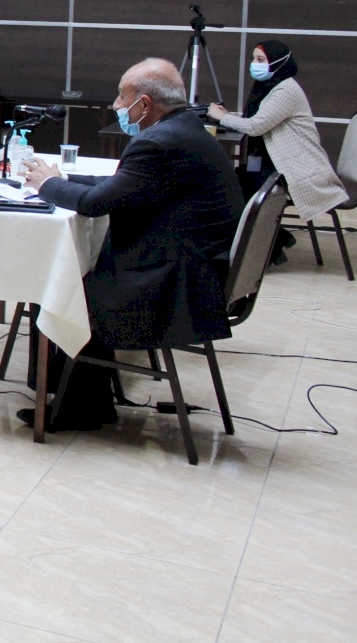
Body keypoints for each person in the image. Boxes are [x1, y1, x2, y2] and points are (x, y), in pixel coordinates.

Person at [19, 59, 242, 431]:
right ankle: (84, 401)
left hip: (177, 286)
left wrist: (47, 186)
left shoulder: (158, 143)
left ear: (145, 104)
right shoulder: (185, 129)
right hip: (200, 271)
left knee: (59, 286)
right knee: (82, 272)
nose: (116, 105)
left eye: (122, 97)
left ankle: (74, 407)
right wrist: (64, 179)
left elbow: (96, 204)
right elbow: (122, 187)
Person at [206, 41, 346, 262]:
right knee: (232, 184)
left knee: (239, 190)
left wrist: (221, 117)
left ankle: (267, 249)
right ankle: (274, 243)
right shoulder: (269, 87)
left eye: (261, 60)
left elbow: (256, 126)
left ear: (278, 62)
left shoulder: (286, 89)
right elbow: (258, 120)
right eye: (254, 59)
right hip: (275, 164)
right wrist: (229, 115)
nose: (254, 64)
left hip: (295, 170)